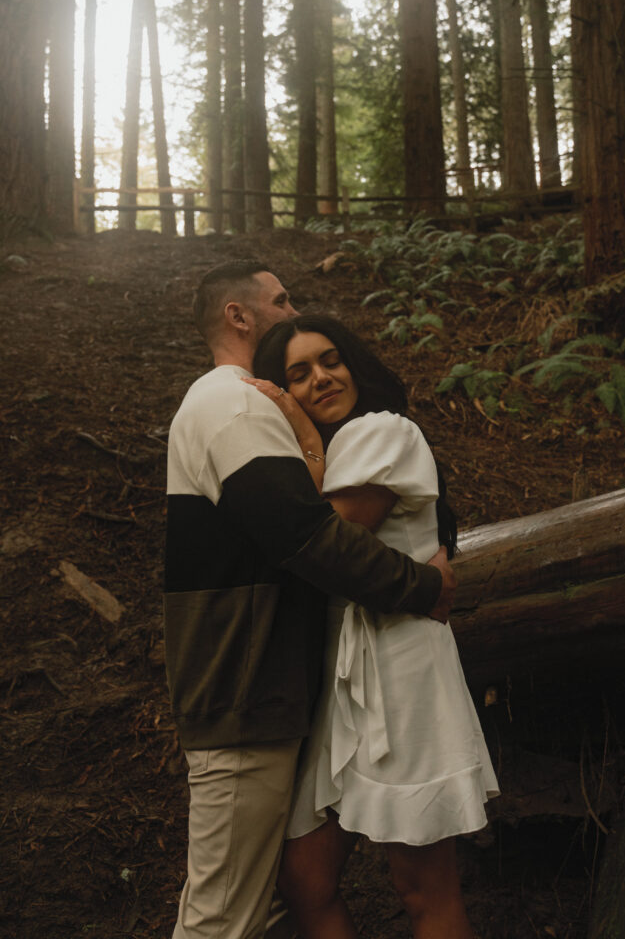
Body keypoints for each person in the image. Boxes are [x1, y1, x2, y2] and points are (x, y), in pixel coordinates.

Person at [164, 259, 461, 939]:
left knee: (373, 887)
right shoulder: (233, 404)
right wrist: (425, 584)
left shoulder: (367, 430)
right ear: (239, 315)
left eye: (329, 362)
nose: (292, 310)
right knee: (235, 912)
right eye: (281, 300)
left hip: (354, 683)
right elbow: (310, 541)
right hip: (253, 691)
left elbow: (313, 535)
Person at [249, 314, 499, 939]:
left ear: (355, 363)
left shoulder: (383, 430)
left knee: (422, 890)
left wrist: (296, 420)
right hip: (343, 682)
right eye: (297, 375)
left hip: (403, 674)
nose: (320, 379)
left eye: (330, 361)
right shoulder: (331, 449)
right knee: (305, 881)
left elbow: (327, 543)